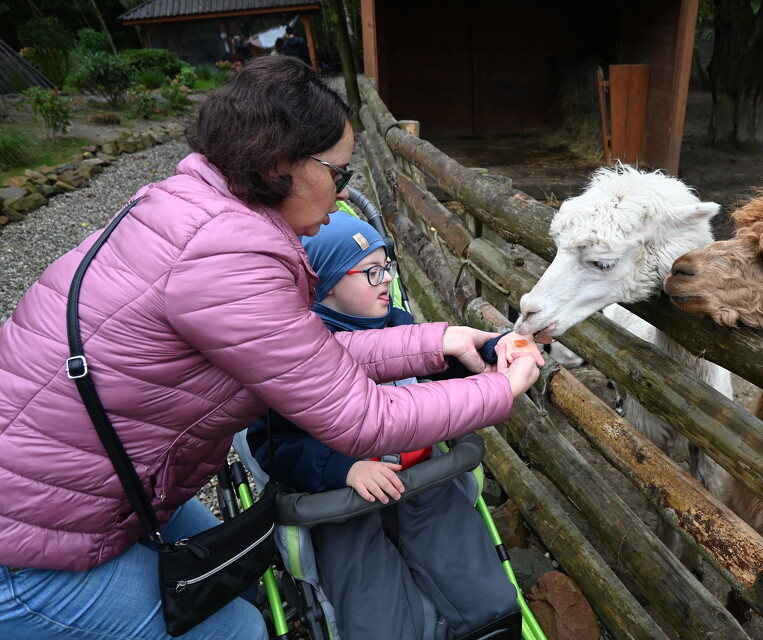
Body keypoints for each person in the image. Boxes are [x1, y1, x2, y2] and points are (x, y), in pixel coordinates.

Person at [0, 55, 541, 640]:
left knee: (234, 564)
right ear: (281, 163)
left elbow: (304, 363)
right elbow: (362, 416)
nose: (340, 195)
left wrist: (442, 340)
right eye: (339, 173)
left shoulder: (193, 208)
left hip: (88, 482)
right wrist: (499, 390)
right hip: (30, 538)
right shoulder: (228, 258)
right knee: (238, 630)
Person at [246, 212, 540, 639]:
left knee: (483, 593)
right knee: (375, 613)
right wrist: (343, 468)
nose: (386, 279)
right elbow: (274, 446)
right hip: (340, 497)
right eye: (371, 271)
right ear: (325, 283)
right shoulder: (293, 355)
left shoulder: (397, 324)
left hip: (420, 476)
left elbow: (452, 363)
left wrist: (497, 350)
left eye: (387, 267)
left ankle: (492, 627)